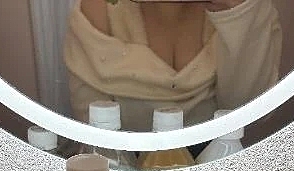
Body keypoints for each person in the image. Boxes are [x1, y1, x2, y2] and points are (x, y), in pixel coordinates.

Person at [63, 0, 282, 133]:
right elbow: (94, 139)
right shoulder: (99, 10)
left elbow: (249, 116)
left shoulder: (247, 7)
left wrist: (236, 14)